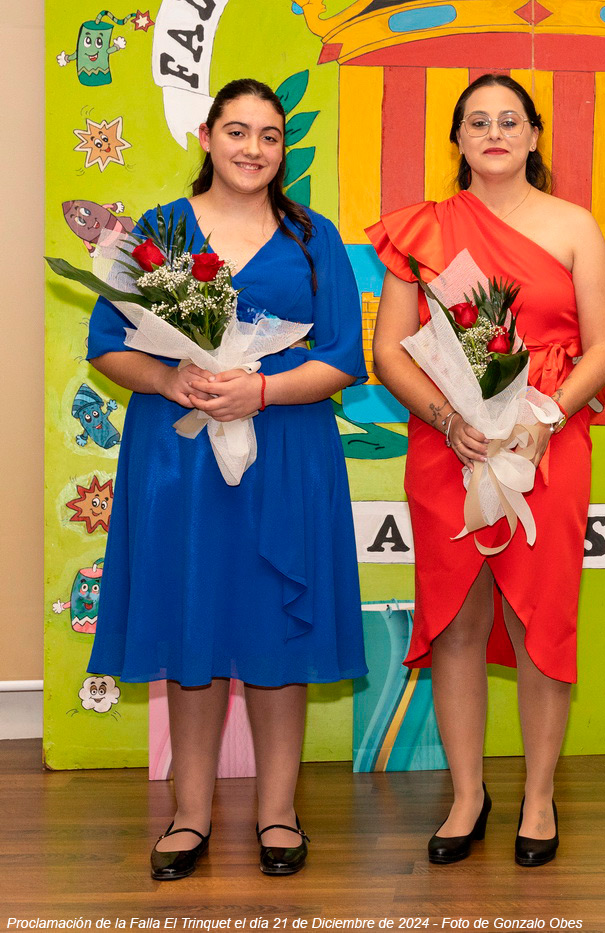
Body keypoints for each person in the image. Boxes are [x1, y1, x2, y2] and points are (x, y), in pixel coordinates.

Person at [85, 78, 368, 880]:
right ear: (207, 137)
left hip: (287, 452)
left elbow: (345, 356)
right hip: (180, 458)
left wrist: (264, 390)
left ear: (284, 149)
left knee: (277, 623)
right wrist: (170, 378)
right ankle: (191, 813)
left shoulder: (313, 237)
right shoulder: (159, 231)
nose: (253, 148)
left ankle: (278, 810)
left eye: (269, 135)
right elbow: (108, 342)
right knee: (194, 624)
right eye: (237, 131)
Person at [368, 74, 605, 868]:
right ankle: (467, 795)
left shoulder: (574, 226)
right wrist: (449, 419)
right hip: (450, 447)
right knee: (455, 624)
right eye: (477, 122)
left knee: (539, 623)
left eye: (510, 120)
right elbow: (389, 351)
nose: (495, 132)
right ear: (458, 140)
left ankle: (539, 796)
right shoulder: (424, 230)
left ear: (535, 135)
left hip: (548, 443)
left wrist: (548, 417)